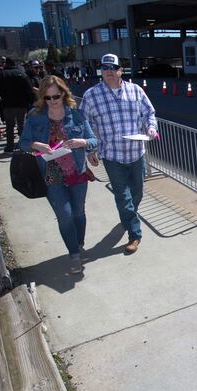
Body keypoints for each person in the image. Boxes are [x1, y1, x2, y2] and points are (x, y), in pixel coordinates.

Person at [80, 53, 159, 254]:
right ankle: (134, 234)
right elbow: (84, 123)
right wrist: (90, 149)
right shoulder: (91, 95)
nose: (108, 72)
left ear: (120, 70)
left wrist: (150, 128)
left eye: (112, 68)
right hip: (112, 155)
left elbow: (149, 113)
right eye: (104, 68)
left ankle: (128, 216)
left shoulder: (135, 91)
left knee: (137, 193)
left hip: (136, 153)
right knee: (123, 197)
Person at [19, 75, 98, 274]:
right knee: (65, 216)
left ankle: (79, 244)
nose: (52, 101)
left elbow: (93, 140)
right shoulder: (35, 116)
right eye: (48, 98)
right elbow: (23, 142)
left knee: (79, 213)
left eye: (56, 96)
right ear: (42, 98)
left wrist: (82, 143)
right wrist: (36, 144)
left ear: (64, 93)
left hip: (77, 172)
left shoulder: (77, 115)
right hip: (51, 174)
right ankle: (74, 255)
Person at [0, 57, 35, 153]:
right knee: (22, 126)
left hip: (7, 105)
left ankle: (10, 147)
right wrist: (29, 102)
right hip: (21, 104)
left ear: (6, 64)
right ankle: (24, 146)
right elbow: (29, 89)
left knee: (9, 127)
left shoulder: (0, 75)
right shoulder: (22, 74)